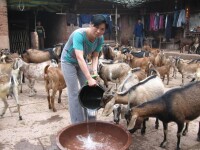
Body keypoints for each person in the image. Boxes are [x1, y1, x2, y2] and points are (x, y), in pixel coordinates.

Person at [61, 15, 108, 124]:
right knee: (73, 93)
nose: (99, 31)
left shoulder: (100, 38)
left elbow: (95, 56)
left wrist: (94, 73)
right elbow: (79, 57)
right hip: (68, 62)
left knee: (86, 88)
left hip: (82, 61)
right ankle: (77, 123)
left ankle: (90, 120)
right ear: (91, 24)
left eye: (102, 29)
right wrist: (89, 77)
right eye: (96, 27)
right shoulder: (79, 35)